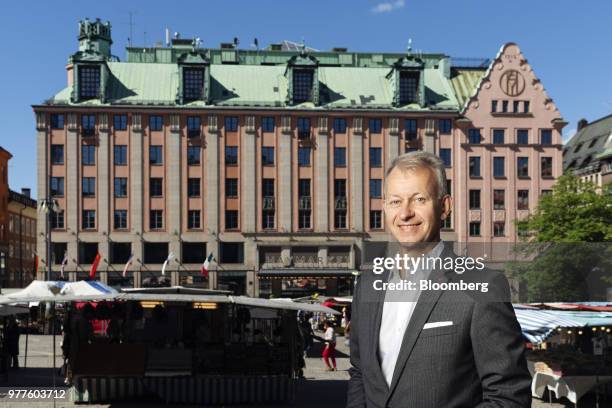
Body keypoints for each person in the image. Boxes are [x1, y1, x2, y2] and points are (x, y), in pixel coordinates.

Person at [347, 151, 531, 407]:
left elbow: (509, 395)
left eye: (419, 199)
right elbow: (359, 373)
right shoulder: (366, 285)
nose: (405, 213)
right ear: (385, 208)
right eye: (395, 201)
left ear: (444, 206)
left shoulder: (482, 286)